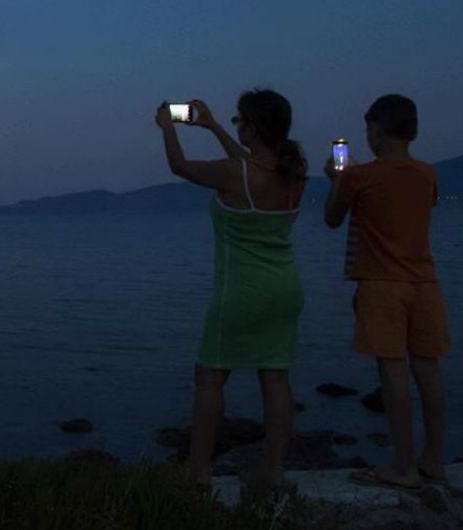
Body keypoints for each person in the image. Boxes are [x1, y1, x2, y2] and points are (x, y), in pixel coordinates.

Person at [155, 89, 308, 487]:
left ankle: (198, 470)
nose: (237, 126)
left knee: (210, 378)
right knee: (274, 378)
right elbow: (254, 164)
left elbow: (179, 166)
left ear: (254, 128)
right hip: (285, 290)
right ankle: (273, 472)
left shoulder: (234, 173)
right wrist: (214, 126)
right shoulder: (295, 172)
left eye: (240, 121)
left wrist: (166, 125)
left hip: (241, 293)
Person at [323, 94, 450, 491]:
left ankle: (403, 465)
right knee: (428, 370)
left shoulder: (361, 177)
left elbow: (331, 218)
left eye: (368, 129)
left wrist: (340, 180)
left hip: (381, 285)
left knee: (393, 373)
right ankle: (434, 459)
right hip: (425, 284)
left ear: (376, 129)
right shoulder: (427, 173)